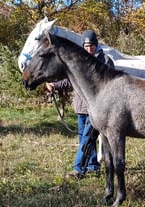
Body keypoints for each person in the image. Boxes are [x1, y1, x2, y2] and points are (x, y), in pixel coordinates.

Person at [46, 30, 114, 179]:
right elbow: (70, 81)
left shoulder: (105, 60)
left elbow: (111, 82)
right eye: (86, 46)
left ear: (96, 45)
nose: (89, 49)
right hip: (80, 106)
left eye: (91, 46)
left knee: (87, 138)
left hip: (96, 107)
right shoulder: (79, 60)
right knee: (83, 138)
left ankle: (78, 169)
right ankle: (93, 166)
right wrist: (55, 85)